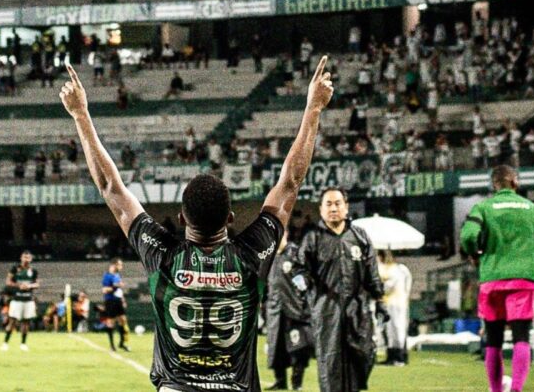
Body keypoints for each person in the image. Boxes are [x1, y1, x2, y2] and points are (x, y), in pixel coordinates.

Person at [57, 55, 333, 391]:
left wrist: (81, 114)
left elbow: (110, 186)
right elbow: (290, 181)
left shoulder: (162, 253)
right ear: (230, 219)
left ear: (181, 218)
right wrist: (314, 108)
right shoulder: (252, 253)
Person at [460, 165, 534, 392]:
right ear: (515, 182)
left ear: (494, 185)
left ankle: (496, 390)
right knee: (521, 337)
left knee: (494, 340)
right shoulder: (533, 209)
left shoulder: (483, 207)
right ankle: (516, 389)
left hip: (492, 278)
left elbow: (468, 236)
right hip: (523, 279)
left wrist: (475, 254)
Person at [291, 188, 387, 392]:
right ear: (321, 209)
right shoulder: (312, 238)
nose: (333, 208)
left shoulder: (360, 236)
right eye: (328, 204)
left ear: (346, 207)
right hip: (326, 312)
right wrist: (303, 283)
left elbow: (372, 272)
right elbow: (298, 271)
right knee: (331, 363)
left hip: (358, 310)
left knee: (365, 355)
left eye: (337, 203)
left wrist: (380, 301)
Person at [266, 232, 313, 391]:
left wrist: (302, 283)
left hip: (294, 309)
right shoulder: (269, 256)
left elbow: (307, 274)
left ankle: (296, 383)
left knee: (298, 347)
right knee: (276, 347)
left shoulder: (295, 252)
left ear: (285, 234)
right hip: (275, 310)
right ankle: (280, 381)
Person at [377, 251, 412, 366]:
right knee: (390, 330)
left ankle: (400, 356)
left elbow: (388, 286)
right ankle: (392, 356)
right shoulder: (388, 268)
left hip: (397, 302)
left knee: (398, 328)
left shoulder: (396, 269)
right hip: (390, 303)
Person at [1, 251, 40, 352]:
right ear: (21, 258)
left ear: (31, 259)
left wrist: (29, 286)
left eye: (28, 258)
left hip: (28, 300)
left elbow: (37, 284)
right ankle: (5, 343)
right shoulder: (15, 269)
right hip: (17, 300)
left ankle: (23, 344)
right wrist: (19, 286)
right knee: (12, 322)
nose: (26, 260)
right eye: (24, 257)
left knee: (26, 322)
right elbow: (8, 282)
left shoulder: (33, 271)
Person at [102, 258, 130, 351]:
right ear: (114, 265)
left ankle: (122, 343)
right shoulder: (107, 276)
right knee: (111, 322)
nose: (121, 267)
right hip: (110, 301)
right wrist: (116, 286)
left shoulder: (117, 275)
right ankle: (112, 345)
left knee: (123, 320)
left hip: (118, 301)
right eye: (120, 265)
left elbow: (119, 290)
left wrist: (123, 299)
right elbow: (105, 290)